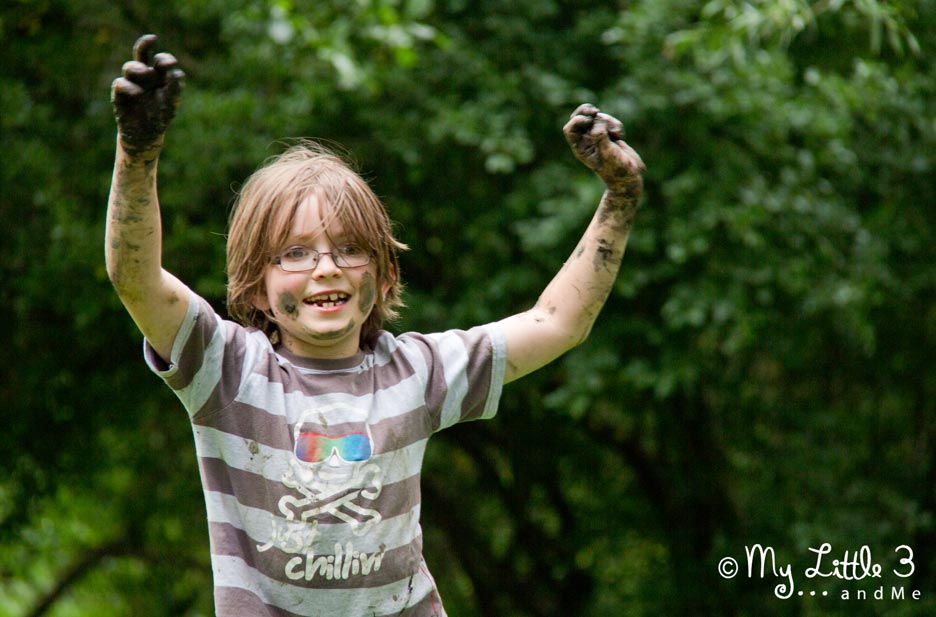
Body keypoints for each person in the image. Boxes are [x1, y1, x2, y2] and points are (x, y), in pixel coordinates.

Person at [107, 33, 645, 617]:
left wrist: (620, 197)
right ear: (257, 286)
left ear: (386, 276)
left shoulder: (416, 373)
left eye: (349, 249)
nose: (326, 268)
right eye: (295, 253)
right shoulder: (227, 371)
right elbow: (136, 279)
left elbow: (557, 322)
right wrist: (138, 153)